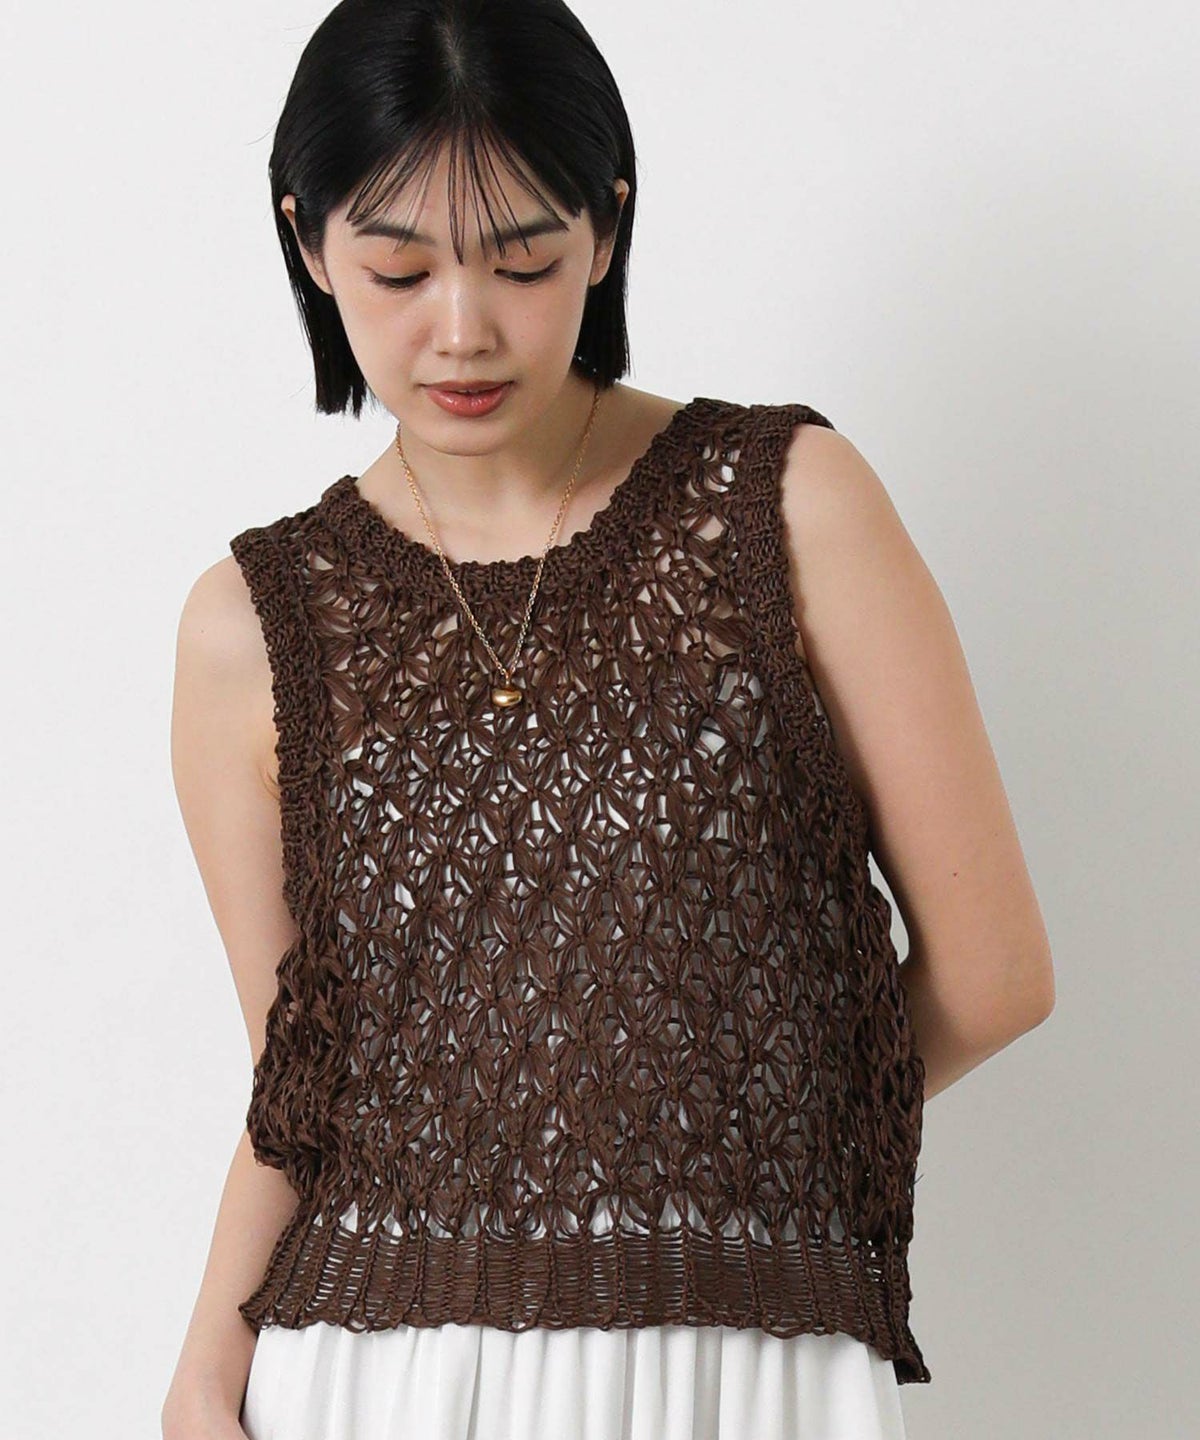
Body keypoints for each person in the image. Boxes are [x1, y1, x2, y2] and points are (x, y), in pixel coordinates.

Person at [162, 2, 1056, 1437]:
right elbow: (305, 1089)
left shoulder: (783, 505)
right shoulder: (250, 626)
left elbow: (997, 972)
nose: (464, 328)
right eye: (398, 269)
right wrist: (208, 1373)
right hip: (377, 1376)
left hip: (733, 1352)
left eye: (525, 260)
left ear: (608, 226)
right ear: (308, 243)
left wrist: (709, 1134)